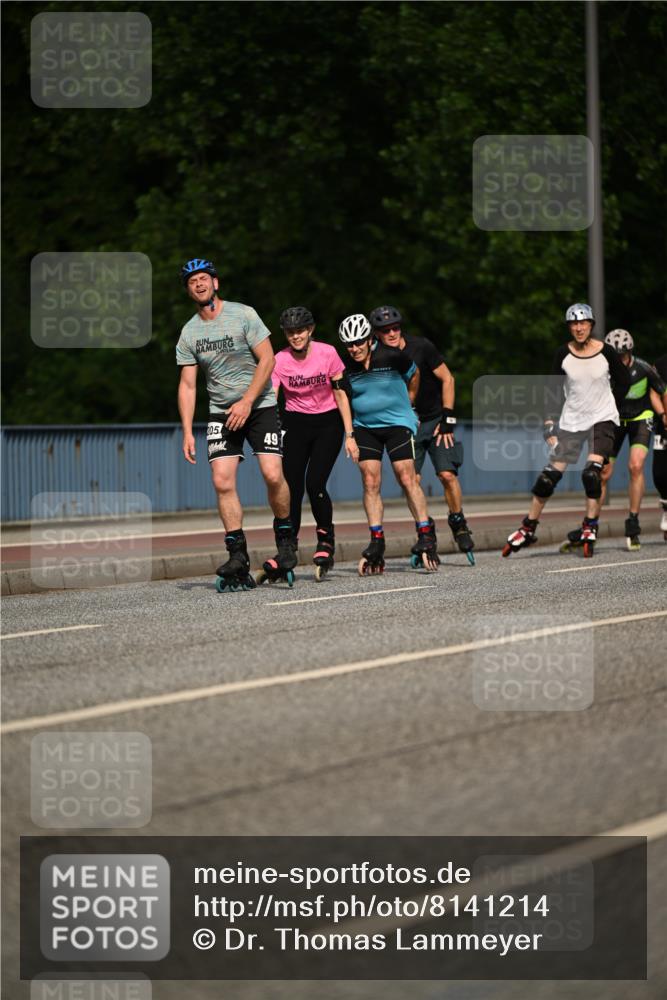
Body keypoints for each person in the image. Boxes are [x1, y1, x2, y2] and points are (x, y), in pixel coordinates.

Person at [176, 258, 297, 591]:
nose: (199, 284)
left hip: (259, 406)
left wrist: (246, 401)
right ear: (188, 290)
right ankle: (237, 555)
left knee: (273, 473)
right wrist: (187, 430)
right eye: (192, 282)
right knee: (221, 480)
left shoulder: (243, 314)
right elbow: (188, 385)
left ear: (216, 283)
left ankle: (286, 542)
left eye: (203, 279)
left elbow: (268, 359)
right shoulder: (189, 332)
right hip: (221, 412)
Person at [503, 303, 631, 558]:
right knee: (547, 478)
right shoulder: (563, 353)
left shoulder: (605, 351)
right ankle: (528, 528)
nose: (579, 328)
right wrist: (549, 422)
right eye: (574, 324)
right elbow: (553, 390)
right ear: (569, 328)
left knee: (591, 474)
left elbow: (624, 381)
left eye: (583, 323)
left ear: (591, 325)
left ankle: (590, 526)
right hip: (572, 421)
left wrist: (609, 405)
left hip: (602, 419)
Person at [369, 304, 475, 565]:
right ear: (376, 334)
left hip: (435, 420)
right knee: (411, 481)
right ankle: (428, 534)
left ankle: (458, 521)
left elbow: (448, 379)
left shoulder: (421, 347)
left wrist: (448, 419)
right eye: (385, 330)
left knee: (447, 475)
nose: (392, 333)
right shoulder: (375, 357)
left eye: (395, 328)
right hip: (407, 426)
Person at [338, 313, 439, 574]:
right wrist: (349, 436)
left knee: (406, 477)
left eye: (359, 342)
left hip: (397, 424)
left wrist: (410, 403)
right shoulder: (346, 365)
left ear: (369, 339)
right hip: (365, 428)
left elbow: (414, 375)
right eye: (349, 344)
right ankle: (376, 541)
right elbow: (342, 397)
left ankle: (425, 534)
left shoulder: (392, 355)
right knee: (370, 481)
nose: (355, 348)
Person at [272, 305, 358, 579]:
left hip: (328, 423)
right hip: (296, 424)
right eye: (290, 333)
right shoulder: (280, 360)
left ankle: (325, 540)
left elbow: (341, 395)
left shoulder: (327, 353)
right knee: (291, 488)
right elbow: (272, 397)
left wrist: (350, 435)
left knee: (315, 483)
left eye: (300, 331)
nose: (295, 337)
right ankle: (288, 547)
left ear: (310, 331)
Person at [561, 329, 667, 551]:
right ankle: (590, 524)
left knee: (635, 466)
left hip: (640, 418)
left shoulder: (644, 368)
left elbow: (662, 391)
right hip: (614, 419)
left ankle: (633, 522)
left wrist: (665, 416)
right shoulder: (602, 370)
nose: (619, 360)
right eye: (614, 355)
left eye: (623, 355)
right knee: (601, 472)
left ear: (630, 352)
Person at [650, 353, 667, 540]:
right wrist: (663, 414)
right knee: (660, 473)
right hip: (664, 426)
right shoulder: (661, 364)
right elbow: (654, 393)